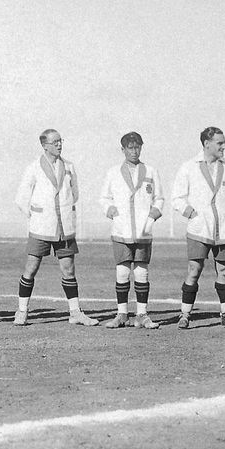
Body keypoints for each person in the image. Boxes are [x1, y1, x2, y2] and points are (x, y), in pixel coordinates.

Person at [13, 129, 94, 327]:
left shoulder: (69, 166)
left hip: (64, 227)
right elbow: (21, 197)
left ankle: (75, 312)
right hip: (41, 226)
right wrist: (36, 215)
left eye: (60, 141)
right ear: (44, 145)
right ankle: (22, 311)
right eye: (55, 142)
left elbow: (74, 193)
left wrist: (65, 210)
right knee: (31, 268)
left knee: (68, 269)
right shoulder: (33, 167)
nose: (59, 145)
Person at [171, 127, 225, 328]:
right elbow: (177, 198)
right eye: (220, 143)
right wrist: (191, 214)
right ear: (207, 144)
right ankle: (185, 314)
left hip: (223, 229)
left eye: (224, 142)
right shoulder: (189, 167)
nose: (224, 146)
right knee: (194, 269)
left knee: (224, 270)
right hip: (199, 229)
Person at [98, 132, 163, 329]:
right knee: (123, 270)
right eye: (130, 147)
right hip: (121, 229)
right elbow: (104, 198)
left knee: (141, 270)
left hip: (143, 230)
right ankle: (122, 314)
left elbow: (159, 198)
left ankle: (142, 314)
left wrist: (152, 216)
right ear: (123, 149)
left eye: (138, 147)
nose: (134, 151)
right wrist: (112, 212)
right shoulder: (113, 172)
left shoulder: (151, 171)